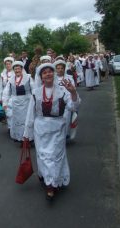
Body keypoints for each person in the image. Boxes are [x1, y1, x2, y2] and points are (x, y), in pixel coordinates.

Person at [23, 63, 80, 200]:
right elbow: (31, 114)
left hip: (57, 128)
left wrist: (73, 92)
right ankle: (48, 179)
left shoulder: (62, 91)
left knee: (55, 155)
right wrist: (26, 134)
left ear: (53, 74)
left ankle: (52, 184)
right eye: (44, 73)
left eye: (50, 72)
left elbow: (74, 106)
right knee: (43, 155)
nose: (48, 74)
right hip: (40, 129)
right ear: (41, 77)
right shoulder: (36, 93)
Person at [2, 61, 33, 143]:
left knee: (26, 121)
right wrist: (5, 103)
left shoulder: (28, 78)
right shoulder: (11, 80)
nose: (17, 70)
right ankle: (20, 138)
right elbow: (6, 92)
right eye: (15, 69)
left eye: (18, 68)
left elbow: (34, 90)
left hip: (27, 103)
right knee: (17, 122)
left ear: (22, 69)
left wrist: (35, 101)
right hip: (15, 104)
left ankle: (28, 138)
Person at [0, 57, 14, 129]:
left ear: (12, 64)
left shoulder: (15, 73)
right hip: (6, 96)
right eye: (6, 64)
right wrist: (0, 99)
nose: (8, 65)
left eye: (9, 64)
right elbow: (1, 87)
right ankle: (9, 127)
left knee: (14, 111)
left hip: (14, 94)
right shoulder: (2, 74)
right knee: (7, 111)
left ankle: (14, 126)